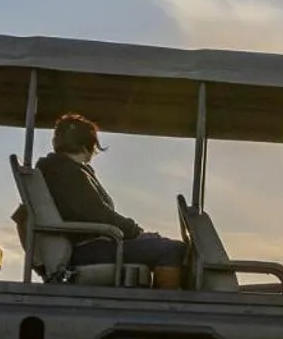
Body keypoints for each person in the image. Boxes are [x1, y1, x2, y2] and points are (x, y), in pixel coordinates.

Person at [36, 113, 188, 289]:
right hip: (89, 249)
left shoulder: (61, 169)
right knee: (171, 250)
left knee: (159, 244)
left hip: (90, 244)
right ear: (88, 145)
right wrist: (136, 231)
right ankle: (166, 312)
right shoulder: (67, 173)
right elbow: (97, 214)